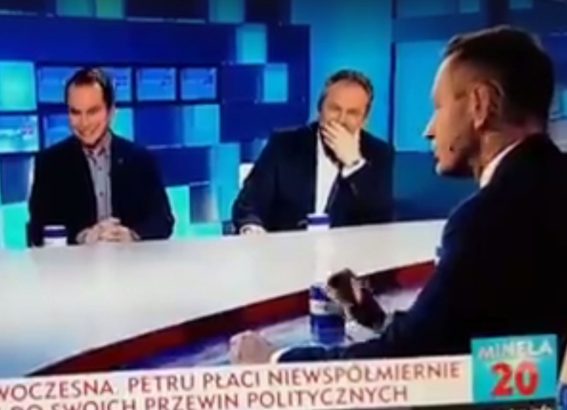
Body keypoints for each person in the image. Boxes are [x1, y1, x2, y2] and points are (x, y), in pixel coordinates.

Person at [229, 26, 567, 364]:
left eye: (439, 107)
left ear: (481, 105)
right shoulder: (550, 185)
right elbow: (464, 332)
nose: (428, 130)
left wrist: (276, 362)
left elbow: (406, 359)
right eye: (334, 109)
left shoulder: (487, 219)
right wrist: (377, 319)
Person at [232, 69, 393, 234]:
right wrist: (252, 228)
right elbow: (248, 205)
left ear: (364, 119)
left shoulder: (380, 154)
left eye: (352, 113)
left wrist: (354, 164)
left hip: (349, 250)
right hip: (287, 248)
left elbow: (382, 221)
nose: (341, 120)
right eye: (335, 109)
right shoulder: (284, 145)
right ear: (320, 109)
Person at [28, 68, 174, 246]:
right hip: (73, 263)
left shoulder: (140, 160)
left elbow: (163, 221)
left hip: (131, 261)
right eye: (75, 112)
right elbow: (37, 229)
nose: (84, 123)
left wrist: (131, 234)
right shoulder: (50, 164)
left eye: (92, 111)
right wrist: (82, 237)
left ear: (111, 112)